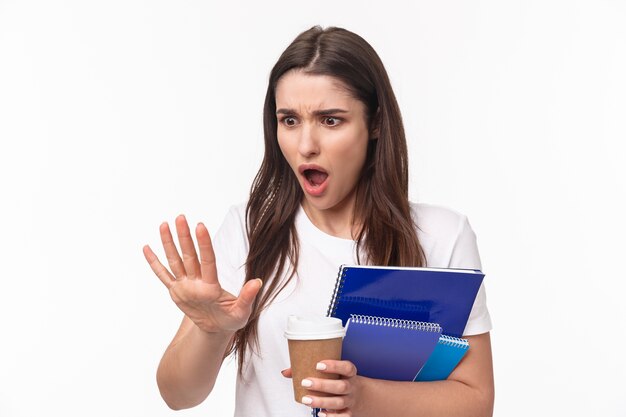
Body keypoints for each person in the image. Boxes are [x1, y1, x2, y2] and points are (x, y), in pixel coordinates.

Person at [143, 25, 494, 417]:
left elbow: (475, 402)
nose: (306, 145)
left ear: (375, 124)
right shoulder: (250, 229)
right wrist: (212, 330)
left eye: (330, 120)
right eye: (289, 120)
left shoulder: (442, 236)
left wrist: (362, 396)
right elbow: (177, 395)